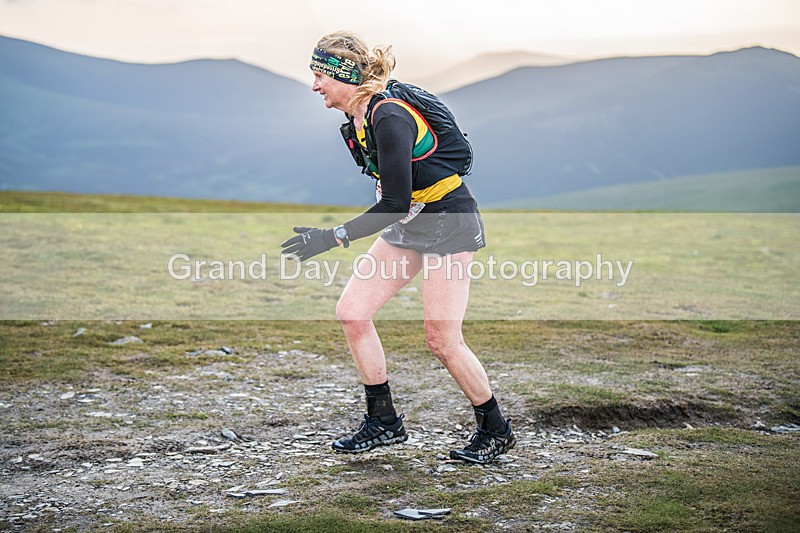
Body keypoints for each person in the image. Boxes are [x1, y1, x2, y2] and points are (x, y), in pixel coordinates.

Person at [280, 30, 515, 464]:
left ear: (343, 75)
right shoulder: (358, 118)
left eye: (319, 76)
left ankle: (495, 429)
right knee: (353, 312)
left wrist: (330, 237)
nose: (314, 86)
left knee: (442, 338)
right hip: (411, 223)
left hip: (448, 222)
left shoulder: (388, 116)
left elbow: (392, 203)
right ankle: (384, 421)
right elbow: (394, 197)